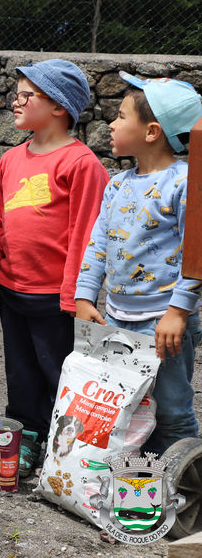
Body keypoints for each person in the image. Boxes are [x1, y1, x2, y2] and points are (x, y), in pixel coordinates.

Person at [0, 59, 108, 476]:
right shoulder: (12, 159)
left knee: (58, 373)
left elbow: (86, 235)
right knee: (20, 370)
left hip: (55, 298)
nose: (15, 102)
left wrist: (76, 295)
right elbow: (0, 216)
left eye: (25, 95)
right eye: (16, 94)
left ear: (58, 106)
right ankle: (26, 438)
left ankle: (63, 450)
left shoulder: (82, 164)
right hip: (13, 290)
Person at [75, 72, 202, 456]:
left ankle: (186, 491)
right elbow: (99, 242)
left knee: (172, 410)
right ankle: (133, 485)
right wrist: (84, 296)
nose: (111, 124)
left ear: (151, 132)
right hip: (116, 317)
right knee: (120, 406)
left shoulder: (184, 183)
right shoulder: (117, 184)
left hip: (163, 321)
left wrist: (179, 312)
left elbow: (197, 253)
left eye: (121, 115)